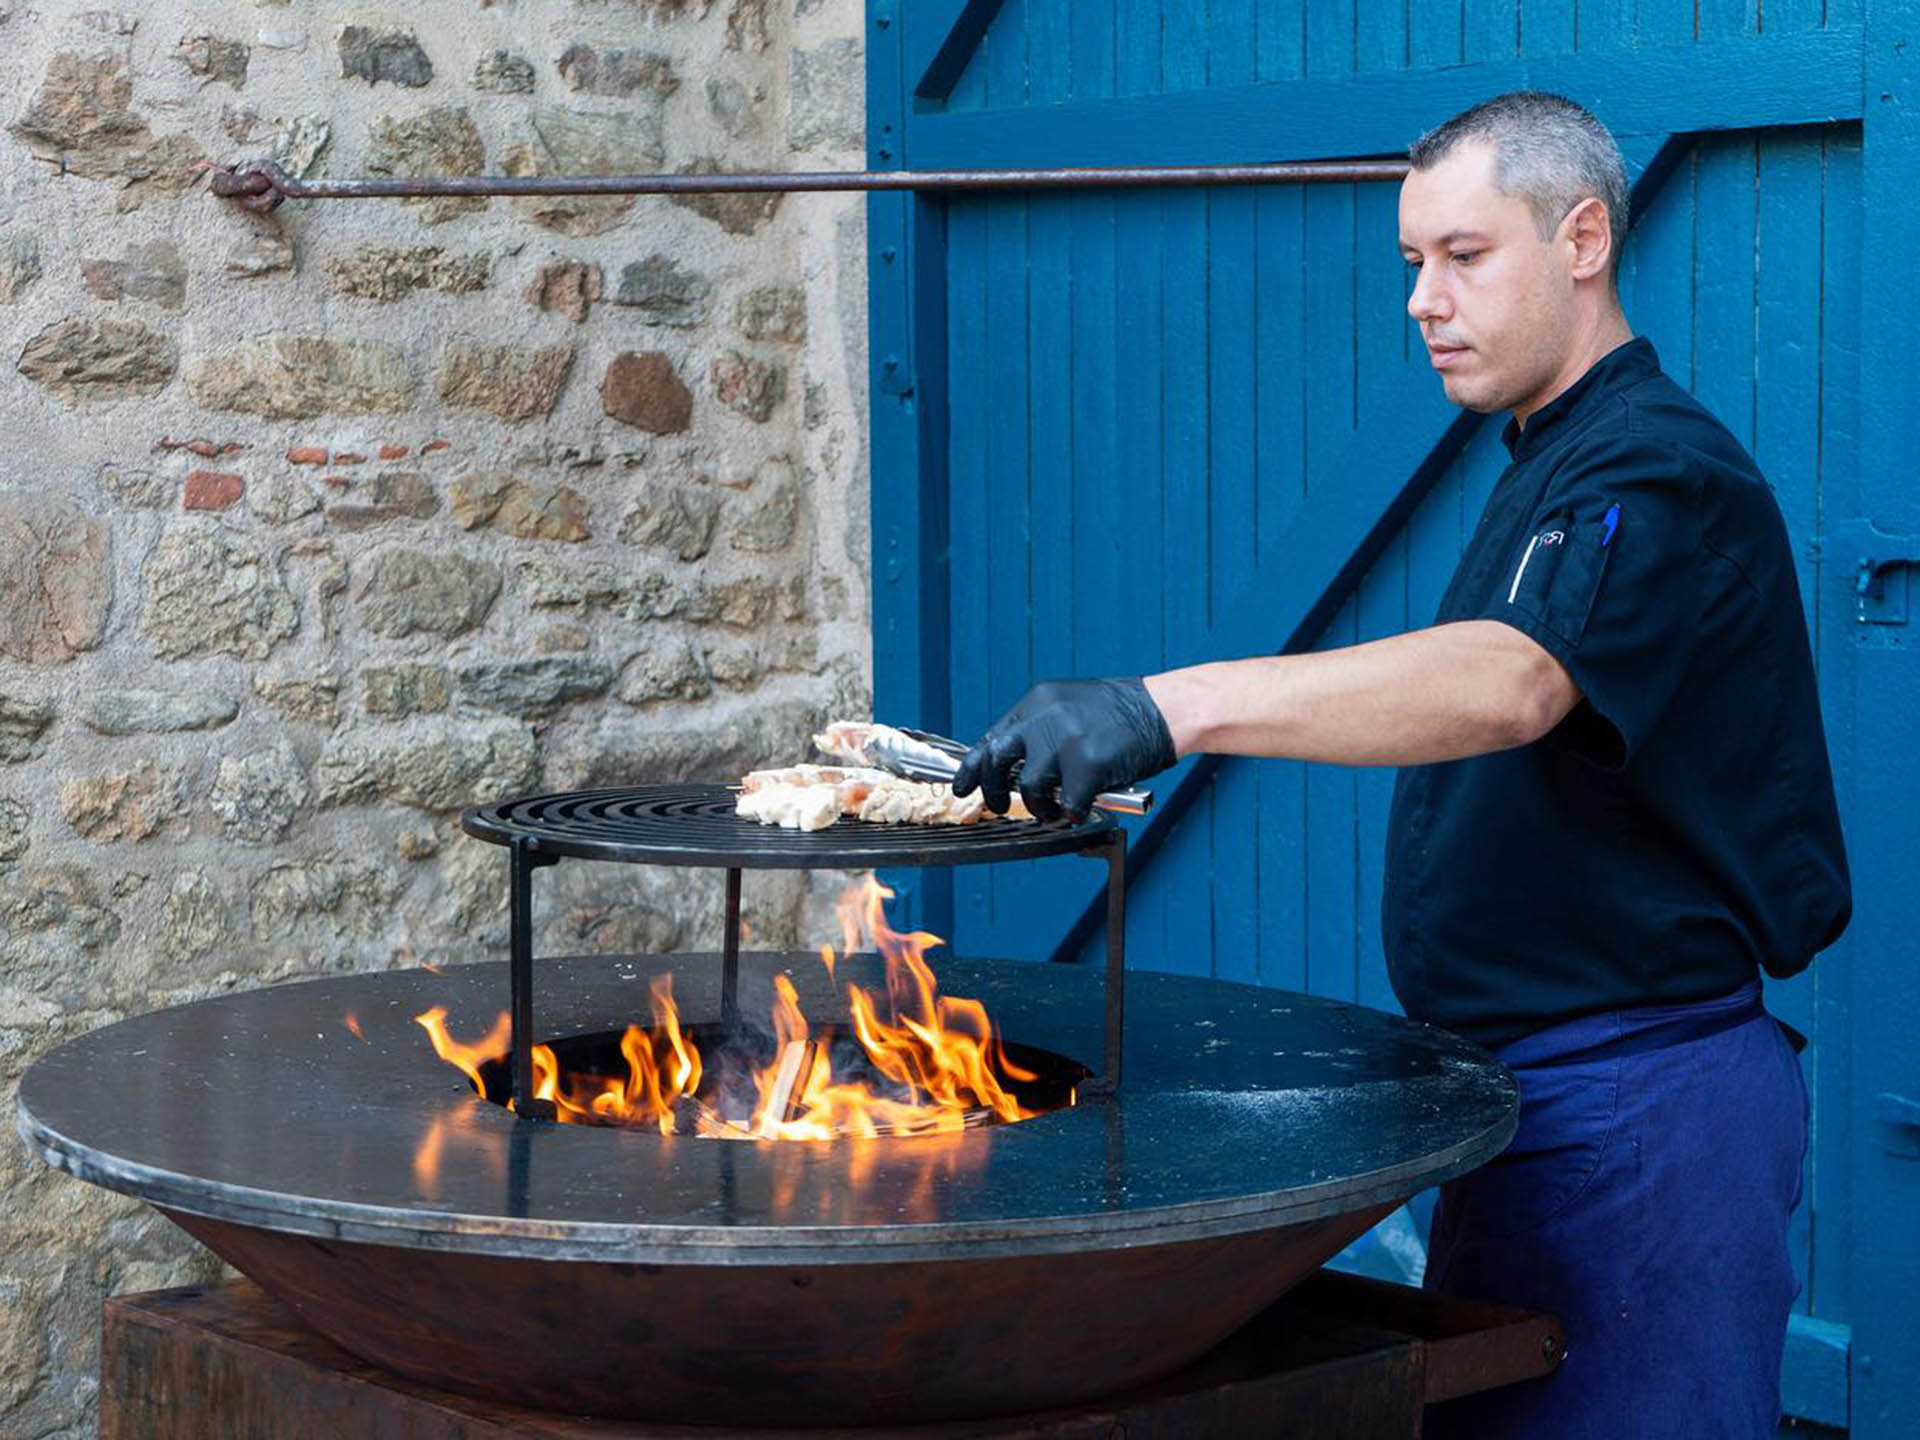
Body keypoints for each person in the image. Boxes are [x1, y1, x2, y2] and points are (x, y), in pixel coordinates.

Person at [952, 92, 1850, 1439]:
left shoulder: (1658, 473)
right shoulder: (1551, 462)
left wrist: (1169, 707)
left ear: (1584, 237)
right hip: (1532, 1104)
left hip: (1643, 1112)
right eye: (1412, 264)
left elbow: (1511, 682)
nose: (1427, 300)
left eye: (1466, 256)